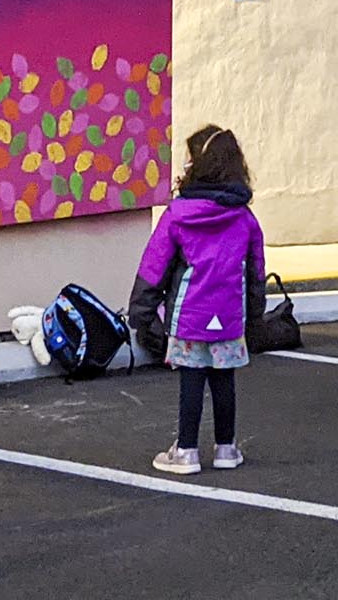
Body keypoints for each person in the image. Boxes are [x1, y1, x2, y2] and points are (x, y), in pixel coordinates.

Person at [132, 123, 267, 475]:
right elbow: (255, 273)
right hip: (230, 314)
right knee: (224, 381)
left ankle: (187, 451)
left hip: (188, 315)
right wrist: (255, 318)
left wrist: (142, 312)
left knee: (191, 380)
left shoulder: (178, 214)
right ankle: (226, 448)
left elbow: (154, 265)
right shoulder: (245, 218)